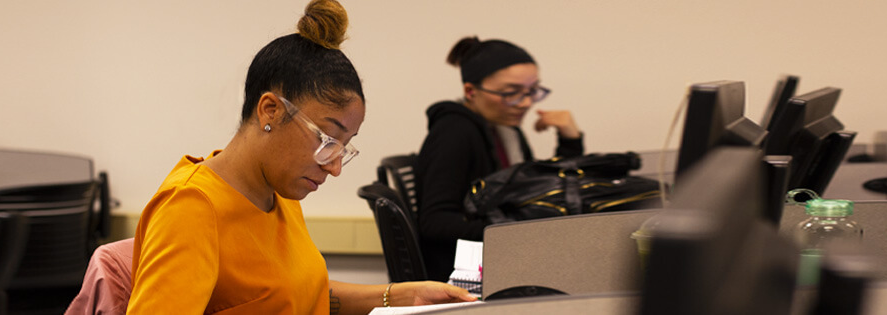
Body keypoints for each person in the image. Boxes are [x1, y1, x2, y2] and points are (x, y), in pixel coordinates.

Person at [126, 1, 476, 314]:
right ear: (270, 111)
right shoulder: (192, 208)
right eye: (327, 139)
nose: (335, 167)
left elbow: (300, 292)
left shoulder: (278, 189)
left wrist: (403, 296)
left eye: (344, 146)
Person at [416, 36, 586, 282]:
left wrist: (570, 141)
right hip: (466, 274)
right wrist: (517, 230)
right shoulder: (454, 132)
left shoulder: (505, 130)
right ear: (471, 91)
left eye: (532, 91)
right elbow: (435, 222)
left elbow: (534, 191)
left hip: (500, 260)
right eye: (511, 93)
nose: (525, 103)